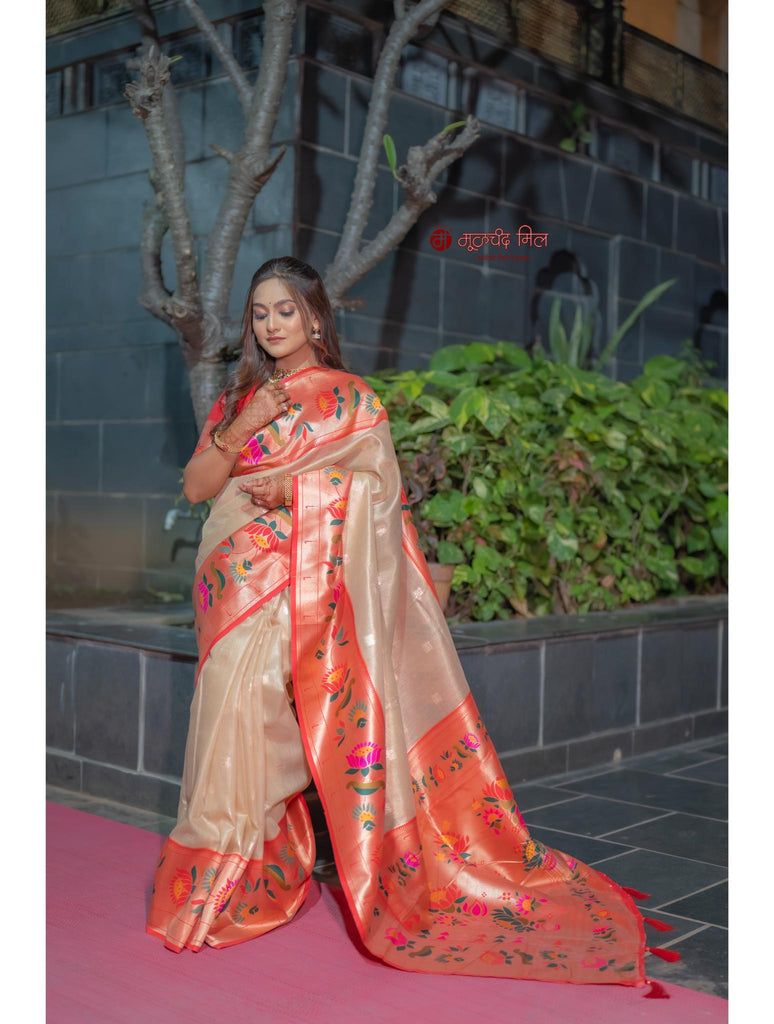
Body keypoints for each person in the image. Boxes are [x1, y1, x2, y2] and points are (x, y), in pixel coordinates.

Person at [146, 256, 673, 994]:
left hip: (311, 587)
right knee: (225, 725)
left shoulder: (353, 400)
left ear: (316, 318)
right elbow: (199, 486)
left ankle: (251, 873)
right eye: (259, 313)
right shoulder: (240, 399)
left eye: (285, 311)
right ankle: (230, 876)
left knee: (270, 724)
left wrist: (297, 490)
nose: (271, 325)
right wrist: (245, 426)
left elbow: (378, 493)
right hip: (233, 590)